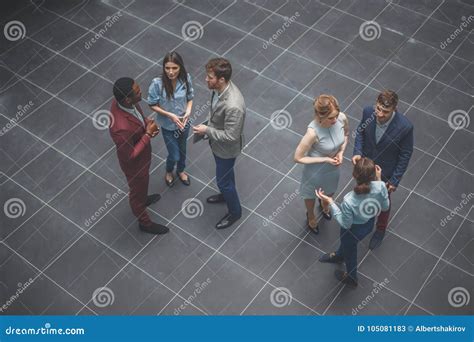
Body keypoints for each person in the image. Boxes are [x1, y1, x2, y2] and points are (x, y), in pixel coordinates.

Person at [352, 90, 413, 249]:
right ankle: (360, 216)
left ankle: (380, 230)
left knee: (384, 202)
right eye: (378, 108)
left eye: (385, 111)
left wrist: (394, 180)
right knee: (362, 191)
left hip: (386, 173)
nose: (379, 114)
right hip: (365, 166)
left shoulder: (405, 127)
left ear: (395, 108)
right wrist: (357, 152)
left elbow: (405, 154)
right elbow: (360, 132)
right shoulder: (368, 112)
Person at [316, 157, 390, 287]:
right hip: (368, 224)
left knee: (350, 252)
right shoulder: (382, 186)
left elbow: (346, 224)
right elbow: (385, 207)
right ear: (375, 174)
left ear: (354, 175)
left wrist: (331, 202)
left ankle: (352, 277)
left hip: (352, 231)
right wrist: (379, 180)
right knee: (347, 245)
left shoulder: (349, 200)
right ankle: (339, 255)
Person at [109, 77, 169, 235]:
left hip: (143, 159)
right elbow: (130, 155)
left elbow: (136, 115)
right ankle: (145, 223)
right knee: (136, 195)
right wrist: (148, 134)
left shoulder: (123, 102)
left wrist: (146, 121)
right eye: (137, 92)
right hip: (135, 167)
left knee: (141, 189)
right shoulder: (120, 129)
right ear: (128, 99)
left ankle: (144, 198)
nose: (141, 91)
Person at [193, 58, 245, 230]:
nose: (206, 80)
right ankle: (225, 194)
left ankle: (235, 212)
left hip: (226, 149)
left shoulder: (234, 105)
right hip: (218, 145)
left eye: (209, 77)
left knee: (223, 181)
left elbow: (231, 136)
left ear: (221, 79)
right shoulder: (218, 89)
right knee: (226, 176)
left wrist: (206, 130)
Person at [294, 95, 349, 234]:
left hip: (333, 167)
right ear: (319, 115)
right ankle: (311, 216)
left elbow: (346, 135)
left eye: (336, 115)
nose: (335, 120)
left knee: (330, 190)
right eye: (331, 118)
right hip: (315, 171)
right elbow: (297, 157)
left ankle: (325, 205)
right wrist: (325, 159)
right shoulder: (312, 133)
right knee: (310, 194)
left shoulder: (341, 118)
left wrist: (341, 152)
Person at [147, 51, 194, 187]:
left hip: (184, 124)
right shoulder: (157, 84)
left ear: (180, 67)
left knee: (183, 149)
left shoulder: (186, 79)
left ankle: (180, 170)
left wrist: (189, 111)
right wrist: (170, 115)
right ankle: (168, 171)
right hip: (167, 125)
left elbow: (190, 97)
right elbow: (152, 104)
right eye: (167, 68)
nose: (171, 72)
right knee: (174, 155)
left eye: (174, 68)